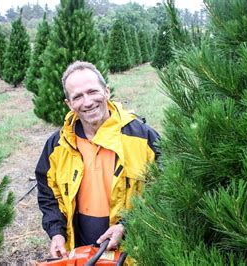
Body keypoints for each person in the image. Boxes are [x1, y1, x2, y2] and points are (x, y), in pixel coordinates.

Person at [36, 61, 160, 258]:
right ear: (69, 104)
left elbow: (165, 189)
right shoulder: (58, 144)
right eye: (77, 97)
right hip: (79, 247)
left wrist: (126, 225)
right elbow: (47, 193)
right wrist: (56, 233)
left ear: (106, 92)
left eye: (93, 92)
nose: (87, 102)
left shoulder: (142, 138)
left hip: (133, 247)